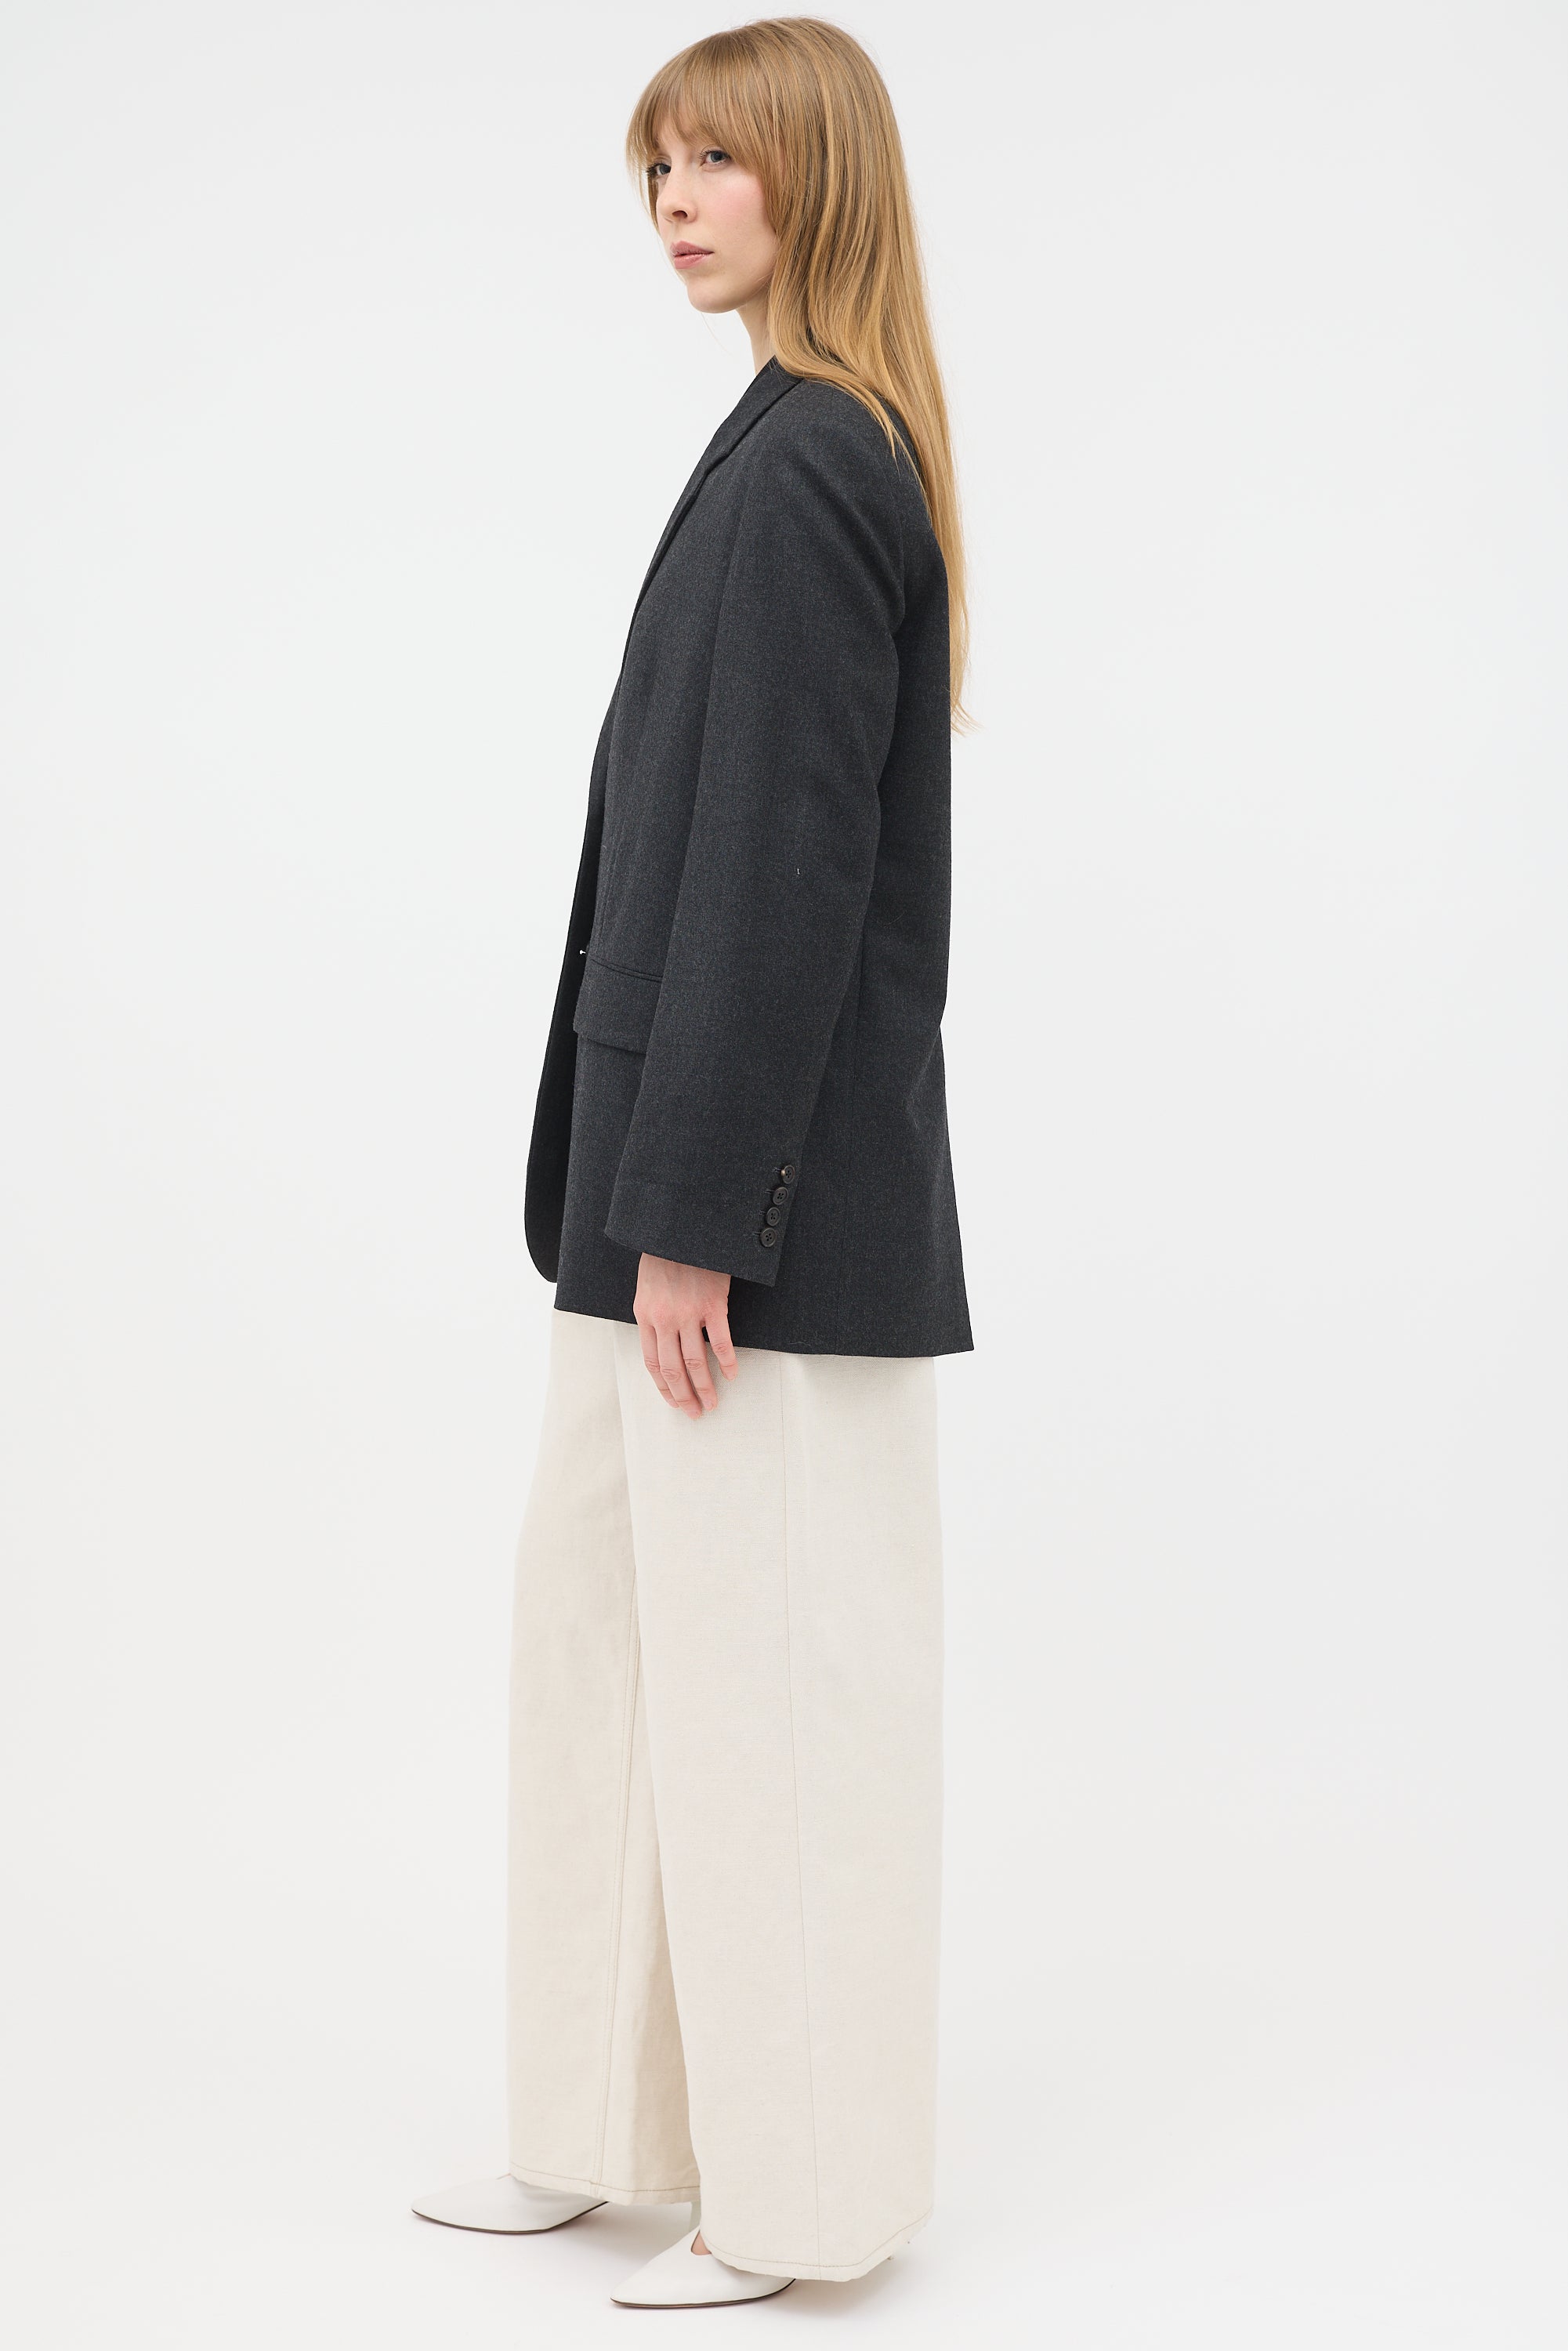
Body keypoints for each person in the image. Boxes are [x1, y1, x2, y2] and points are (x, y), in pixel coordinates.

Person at [414, 16, 972, 2309]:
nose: (674, 201)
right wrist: (645, 1211)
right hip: (653, 1195)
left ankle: (803, 2203)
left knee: (771, 1706)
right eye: (657, 163)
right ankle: (601, 2127)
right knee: (610, 1661)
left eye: (718, 161)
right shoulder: (779, 441)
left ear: (814, 178)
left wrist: (697, 1225)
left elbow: (778, 876)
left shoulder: (819, 462)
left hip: (740, 1225)